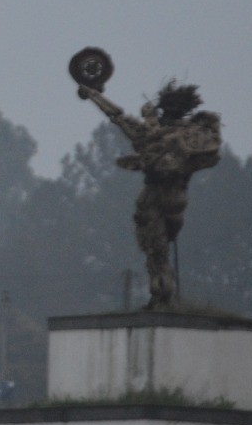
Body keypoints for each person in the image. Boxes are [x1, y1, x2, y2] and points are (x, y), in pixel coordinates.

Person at [78, 80, 222, 309]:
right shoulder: (187, 134)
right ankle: (161, 293)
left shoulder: (177, 134)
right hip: (167, 197)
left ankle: (162, 292)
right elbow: (118, 117)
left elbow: (118, 118)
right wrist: (95, 95)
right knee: (156, 249)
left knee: (157, 250)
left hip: (161, 197)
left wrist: (94, 95)